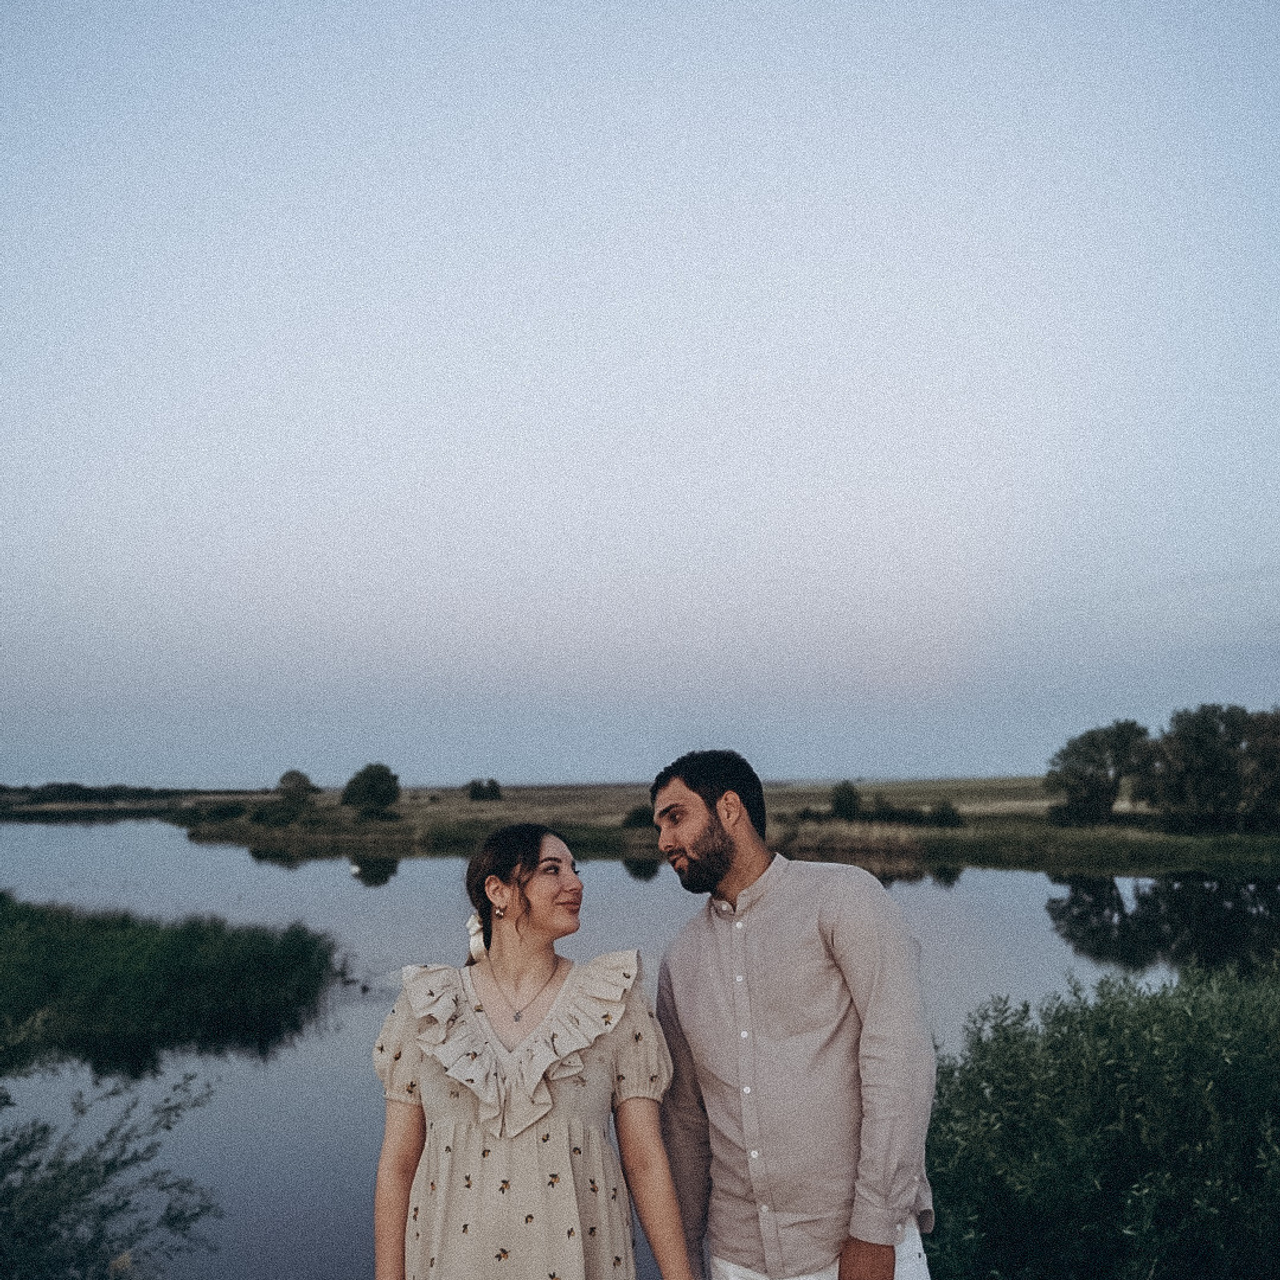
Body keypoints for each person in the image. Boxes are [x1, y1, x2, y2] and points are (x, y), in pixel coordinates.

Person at [651, 752, 936, 1280]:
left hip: (853, 1248)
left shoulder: (843, 898)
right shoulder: (680, 961)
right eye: (660, 825)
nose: (664, 841)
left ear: (729, 808)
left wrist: (874, 1231)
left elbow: (900, 1062)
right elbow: (687, 1123)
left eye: (675, 816)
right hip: (738, 1261)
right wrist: (685, 1258)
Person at [373, 822, 697, 1280]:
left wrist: (680, 1276)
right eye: (552, 869)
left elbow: (644, 1161)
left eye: (574, 869)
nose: (575, 883)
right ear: (498, 891)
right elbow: (398, 1166)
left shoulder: (613, 1003)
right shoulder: (428, 1007)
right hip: (450, 1262)